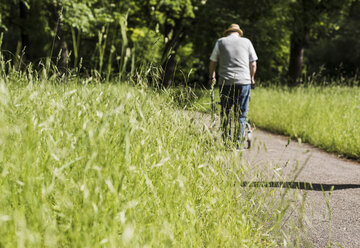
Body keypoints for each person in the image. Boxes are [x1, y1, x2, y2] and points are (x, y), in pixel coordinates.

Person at [209, 24, 258, 149]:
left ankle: (227, 143)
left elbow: (213, 62)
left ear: (227, 33)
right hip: (244, 82)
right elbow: (253, 63)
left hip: (225, 82)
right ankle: (237, 144)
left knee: (226, 113)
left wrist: (212, 77)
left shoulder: (220, 42)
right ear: (239, 33)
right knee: (241, 114)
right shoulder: (247, 42)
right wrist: (252, 78)